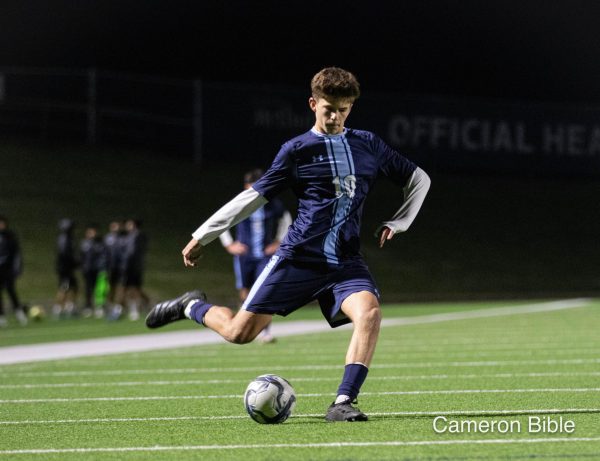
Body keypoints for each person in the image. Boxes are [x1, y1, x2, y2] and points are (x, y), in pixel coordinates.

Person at [146, 67, 431, 421]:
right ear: (313, 104)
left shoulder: (368, 144)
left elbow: (419, 178)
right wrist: (204, 234)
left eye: (343, 109)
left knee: (370, 313)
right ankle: (191, 306)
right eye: (328, 108)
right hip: (297, 259)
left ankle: (343, 402)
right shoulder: (297, 150)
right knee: (238, 333)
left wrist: (399, 221)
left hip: (344, 262)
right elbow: (255, 197)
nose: (335, 116)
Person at [218, 168, 292, 343]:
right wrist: (229, 244)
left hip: (265, 255)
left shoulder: (271, 202)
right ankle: (241, 327)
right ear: (246, 187)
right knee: (245, 292)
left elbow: (286, 218)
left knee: (264, 291)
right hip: (245, 255)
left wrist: (278, 241)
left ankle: (265, 331)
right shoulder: (240, 203)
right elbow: (222, 218)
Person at [120, 218, 149, 321]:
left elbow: (131, 253)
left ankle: (135, 308)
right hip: (131, 266)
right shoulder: (129, 236)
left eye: (129, 224)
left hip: (133, 267)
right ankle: (143, 305)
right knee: (132, 288)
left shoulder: (137, 235)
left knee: (134, 288)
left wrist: (126, 265)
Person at [0, 215, 27, 326]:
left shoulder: (10, 236)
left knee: (11, 291)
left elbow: (16, 253)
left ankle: (19, 313)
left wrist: (17, 268)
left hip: (7, 270)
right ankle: (1, 316)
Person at [79, 223, 108, 318]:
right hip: (88, 269)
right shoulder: (84, 243)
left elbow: (104, 256)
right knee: (88, 289)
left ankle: (100, 307)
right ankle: (88, 307)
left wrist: (102, 267)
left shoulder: (100, 243)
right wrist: (83, 266)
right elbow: (82, 257)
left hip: (98, 269)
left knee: (99, 289)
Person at [53, 218, 79, 318]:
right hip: (65, 269)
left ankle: (69, 306)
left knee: (73, 287)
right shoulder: (65, 239)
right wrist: (73, 262)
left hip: (66, 268)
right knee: (64, 287)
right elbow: (65, 254)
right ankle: (58, 308)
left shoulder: (67, 238)